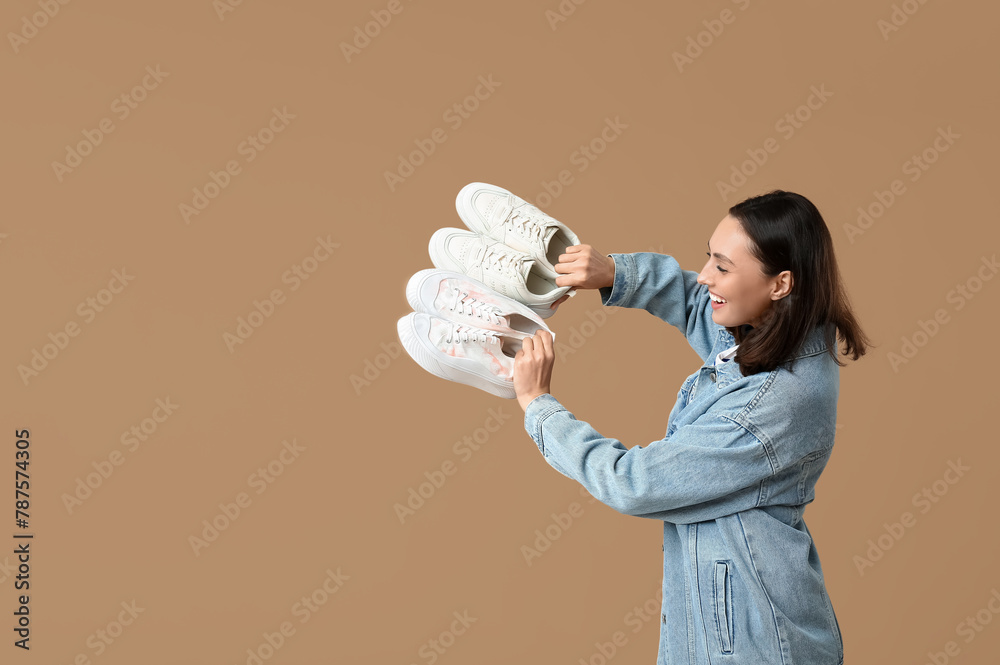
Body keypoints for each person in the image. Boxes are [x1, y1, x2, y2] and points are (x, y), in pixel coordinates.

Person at [511, 189, 871, 665]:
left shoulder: (771, 404)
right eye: (709, 259)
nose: (705, 277)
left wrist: (539, 406)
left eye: (723, 267)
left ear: (780, 283)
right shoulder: (779, 333)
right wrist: (617, 273)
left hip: (750, 647)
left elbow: (633, 482)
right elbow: (702, 307)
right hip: (739, 625)